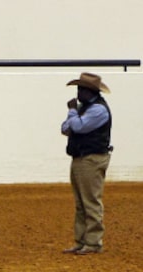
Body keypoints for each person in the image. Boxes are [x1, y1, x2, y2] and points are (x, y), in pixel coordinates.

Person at [60, 72, 112, 255]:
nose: (78, 92)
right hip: (82, 158)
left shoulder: (97, 110)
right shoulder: (87, 109)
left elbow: (77, 127)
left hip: (91, 158)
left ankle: (93, 242)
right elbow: (66, 128)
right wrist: (74, 117)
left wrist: (72, 112)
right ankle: (83, 240)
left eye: (81, 89)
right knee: (82, 202)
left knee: (90, 201)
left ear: (89, 91)